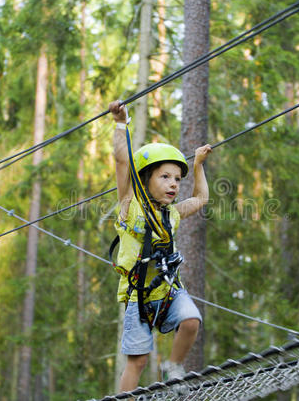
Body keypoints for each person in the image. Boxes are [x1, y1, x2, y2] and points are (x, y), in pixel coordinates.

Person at [109, 100, 212, 392]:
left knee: (191, 321)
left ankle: (173, 367)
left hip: (167, 290)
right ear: (144, 179)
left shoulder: (172, 214)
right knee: (137, 362)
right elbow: (121, 162)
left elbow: (201, 198)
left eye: (178, 179)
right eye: (165, 177)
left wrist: (199, 165)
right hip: (138, 298)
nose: (174, 185)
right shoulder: (130, 207)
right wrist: (120, 123)